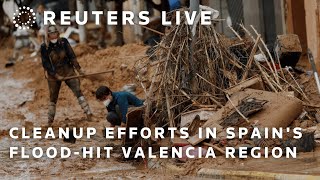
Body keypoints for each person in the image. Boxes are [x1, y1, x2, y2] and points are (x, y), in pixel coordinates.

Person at [40, 25, 92, 126]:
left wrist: (79, 69)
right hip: (53, 74)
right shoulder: (44, 47)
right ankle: (50, 121)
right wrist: (56, 75)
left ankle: (89, 114)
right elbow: (45, 64)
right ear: (48, 35)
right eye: (51, 34)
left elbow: (71, 56)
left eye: (55, 33)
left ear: (58, 34)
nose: (54, 36)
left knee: (78, 91)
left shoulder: (63, 42)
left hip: (68, 70)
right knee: (53, 97)